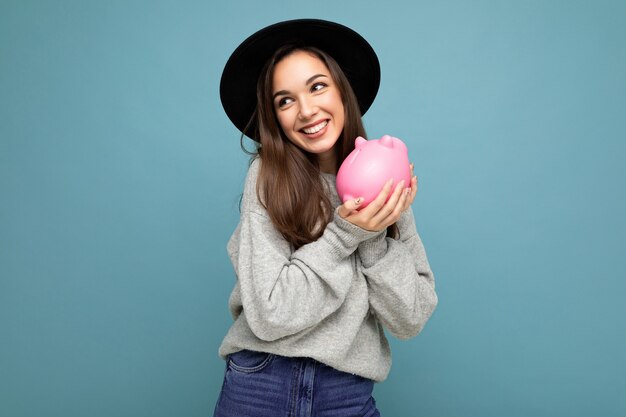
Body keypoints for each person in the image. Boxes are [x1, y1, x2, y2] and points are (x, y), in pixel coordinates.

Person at [214, 19, 438, 417]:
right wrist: (345, 233)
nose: (306, 110)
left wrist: (373, 234)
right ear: (274, 116)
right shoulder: (268, 177)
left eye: (317, 86)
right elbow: (271, 315)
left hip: (346, 393)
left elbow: (411, 319)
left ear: (341, 90)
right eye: (285, 101)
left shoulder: (385, 186)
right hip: (262, 384)